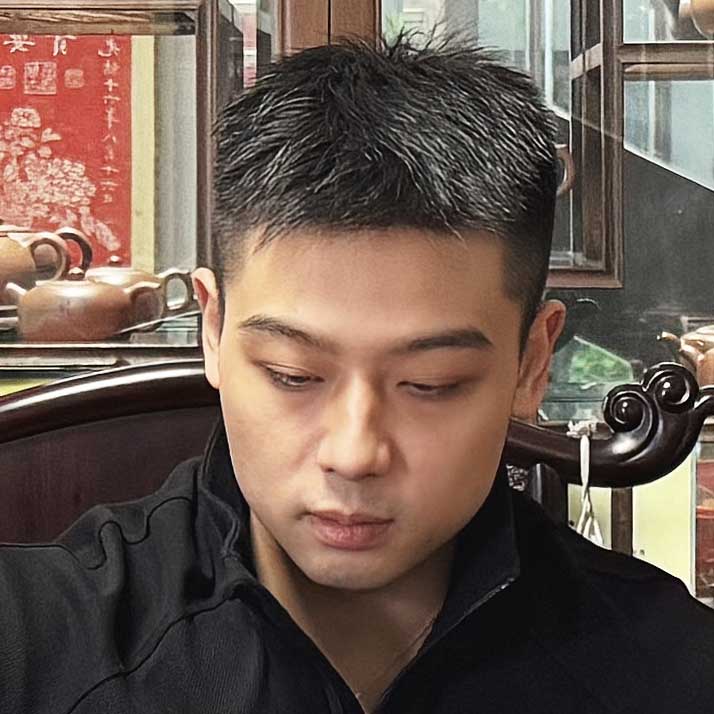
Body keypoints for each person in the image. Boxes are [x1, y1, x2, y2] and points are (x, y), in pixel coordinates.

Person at [1, 31, 713, 714]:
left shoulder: (671, 672)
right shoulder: (35, 643)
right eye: (292, 374)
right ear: (213, 331)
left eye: (431, 384)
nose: (354, 454)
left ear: (531, 363)